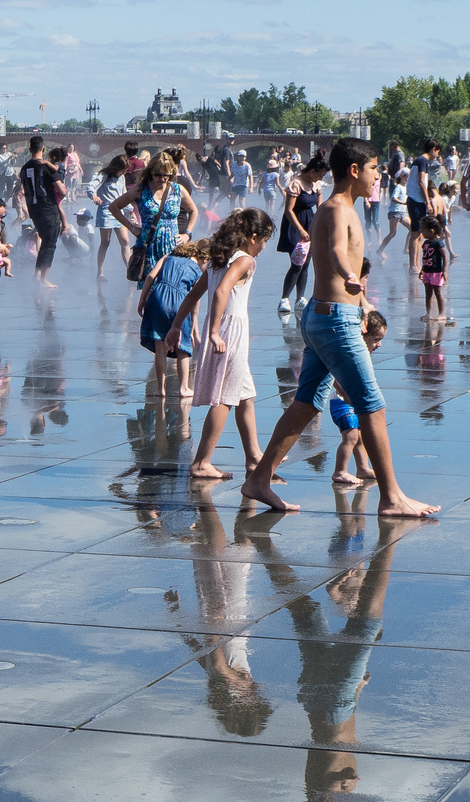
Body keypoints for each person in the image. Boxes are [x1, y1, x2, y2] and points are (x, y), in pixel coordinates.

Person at [241, 137, 439, 518]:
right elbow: (333, 250)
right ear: (354, 171)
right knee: (372, 405)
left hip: (328, 315)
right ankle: (391, 497)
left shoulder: (343, 207)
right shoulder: (336, 208)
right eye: (374, 169)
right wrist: (350, 275)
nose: (378, 176)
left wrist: (362, 302)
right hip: (333, 320)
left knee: (305, 404)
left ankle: (259, 479)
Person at [166, 209, 277, 478]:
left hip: (224, 328)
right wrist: (214, 332)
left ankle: (253, 457)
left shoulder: (220, 258)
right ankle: (202, 462)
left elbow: (195, 292)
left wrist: (176, 325)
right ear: (253, 237)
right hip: (229, 332)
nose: (263, 247)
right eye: (264, 241)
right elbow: (221, 291)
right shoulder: (245, 260)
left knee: (245, 396)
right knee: (225, 399)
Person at [111, 151, 198, 288]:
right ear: (151, 172)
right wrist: (132, 228)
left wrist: (187, 233)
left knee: (171, 286)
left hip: (172, 245)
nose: (162, 178)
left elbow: (193, 211)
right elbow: (114, 207)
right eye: (158, 174)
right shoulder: (141, 190)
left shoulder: (177, 190)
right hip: (149, 246)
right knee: (150, 288)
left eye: (166, 175)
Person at [139, 238, 208, 399]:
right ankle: (184, 388)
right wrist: (192, 326)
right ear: (204, 257)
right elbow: (195, 298)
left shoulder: (168, 256)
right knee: (182, 347)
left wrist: (143, 299)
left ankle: (160, 388)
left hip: (156, 298)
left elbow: (150, 276)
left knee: (159, 346)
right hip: (179, 302)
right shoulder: (197, 270)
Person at [330, 309, 387, 485]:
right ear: (363, 336)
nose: (379, 345)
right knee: (351, 436)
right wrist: (347, 395)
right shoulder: (349, 353)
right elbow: (333, 377)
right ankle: (340, 471)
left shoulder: (362, 353)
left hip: (354, 400)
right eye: (376, 340)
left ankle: (362, 467)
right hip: (342, 402)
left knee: (360, 437)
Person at [277, 154, 328, 315]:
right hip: (294, 224)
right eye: (319, 175)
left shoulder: (316, 185)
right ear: (312, 171)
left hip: (310, 222)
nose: (319, 178)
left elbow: (320, 206)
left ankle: (300, 298)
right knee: (297, 262)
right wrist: (299, 229)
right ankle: (284, 298)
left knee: (306, 262)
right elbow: (288, 210)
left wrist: (321, 225)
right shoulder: (296, 184)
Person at [19, 136, 66, 287]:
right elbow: (62, 191)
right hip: (48, 209)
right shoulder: (47, 167)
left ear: (30, 149)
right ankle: (43, 278)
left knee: (44, 242)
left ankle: (37, 274)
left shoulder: (24, 168)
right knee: (50, 244)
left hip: (34, 210)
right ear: (43, 149)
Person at [92, 156, 132, 278]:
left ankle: (130, 271)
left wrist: (130, 210)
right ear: (116, 167)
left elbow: (123, 194)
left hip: (119, 210)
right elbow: (91, 186)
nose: (124, 172)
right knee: (105, 242)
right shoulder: (103, 175)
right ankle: (100, 272)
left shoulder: (122, 177)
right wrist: (93, 195)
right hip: (106, 210)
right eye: (123, 170)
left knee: (125, 241)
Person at [405, 138, 440, 272]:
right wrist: (428, 201)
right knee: (415, 233)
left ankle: (416, 264)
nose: (437, 156)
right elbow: (421, 182)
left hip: (415, 199)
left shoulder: (418, 160)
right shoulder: (423, 161)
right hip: (416, 200)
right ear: (433, 149)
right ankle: (412, 265)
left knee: (419, 233)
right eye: (437, 152)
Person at [419, 215, 448, 322]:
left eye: (423, 230)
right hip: (427, 271)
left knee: (438, 292)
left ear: (431, 231)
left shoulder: (438, 243)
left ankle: (442, 313)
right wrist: (422, 270)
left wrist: (444, 271)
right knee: (428, 293)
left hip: (436, 272)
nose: (422, 232)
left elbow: (445, 257)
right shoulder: (426, 243)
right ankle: (428, 313)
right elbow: (425, 257)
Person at [378, 167, 410, 257]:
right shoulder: (398, 187)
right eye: (407, 177)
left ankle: (406, 249)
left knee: (412, 229)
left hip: (403, 213)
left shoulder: (406, 187)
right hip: (395, 212)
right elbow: (393, 198)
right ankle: (380, 250)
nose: (408, 179)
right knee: (392, 233)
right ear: (402, 177)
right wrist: (403, 203)